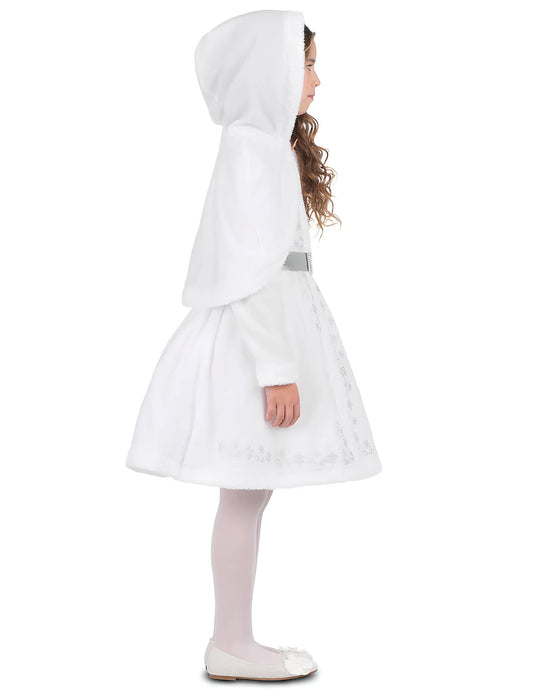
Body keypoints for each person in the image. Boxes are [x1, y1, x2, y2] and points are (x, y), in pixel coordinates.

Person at [125, 10, 382, 682]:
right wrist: (276, 368)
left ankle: (234, 637)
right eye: (307, 65)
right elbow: (246, 265)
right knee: (243, 493)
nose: (316, 81)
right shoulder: (252, 150)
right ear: (271, 69)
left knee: (251, 493)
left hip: (275, 326)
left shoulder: (266, 145)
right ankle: (231, 641)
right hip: (253, 342)